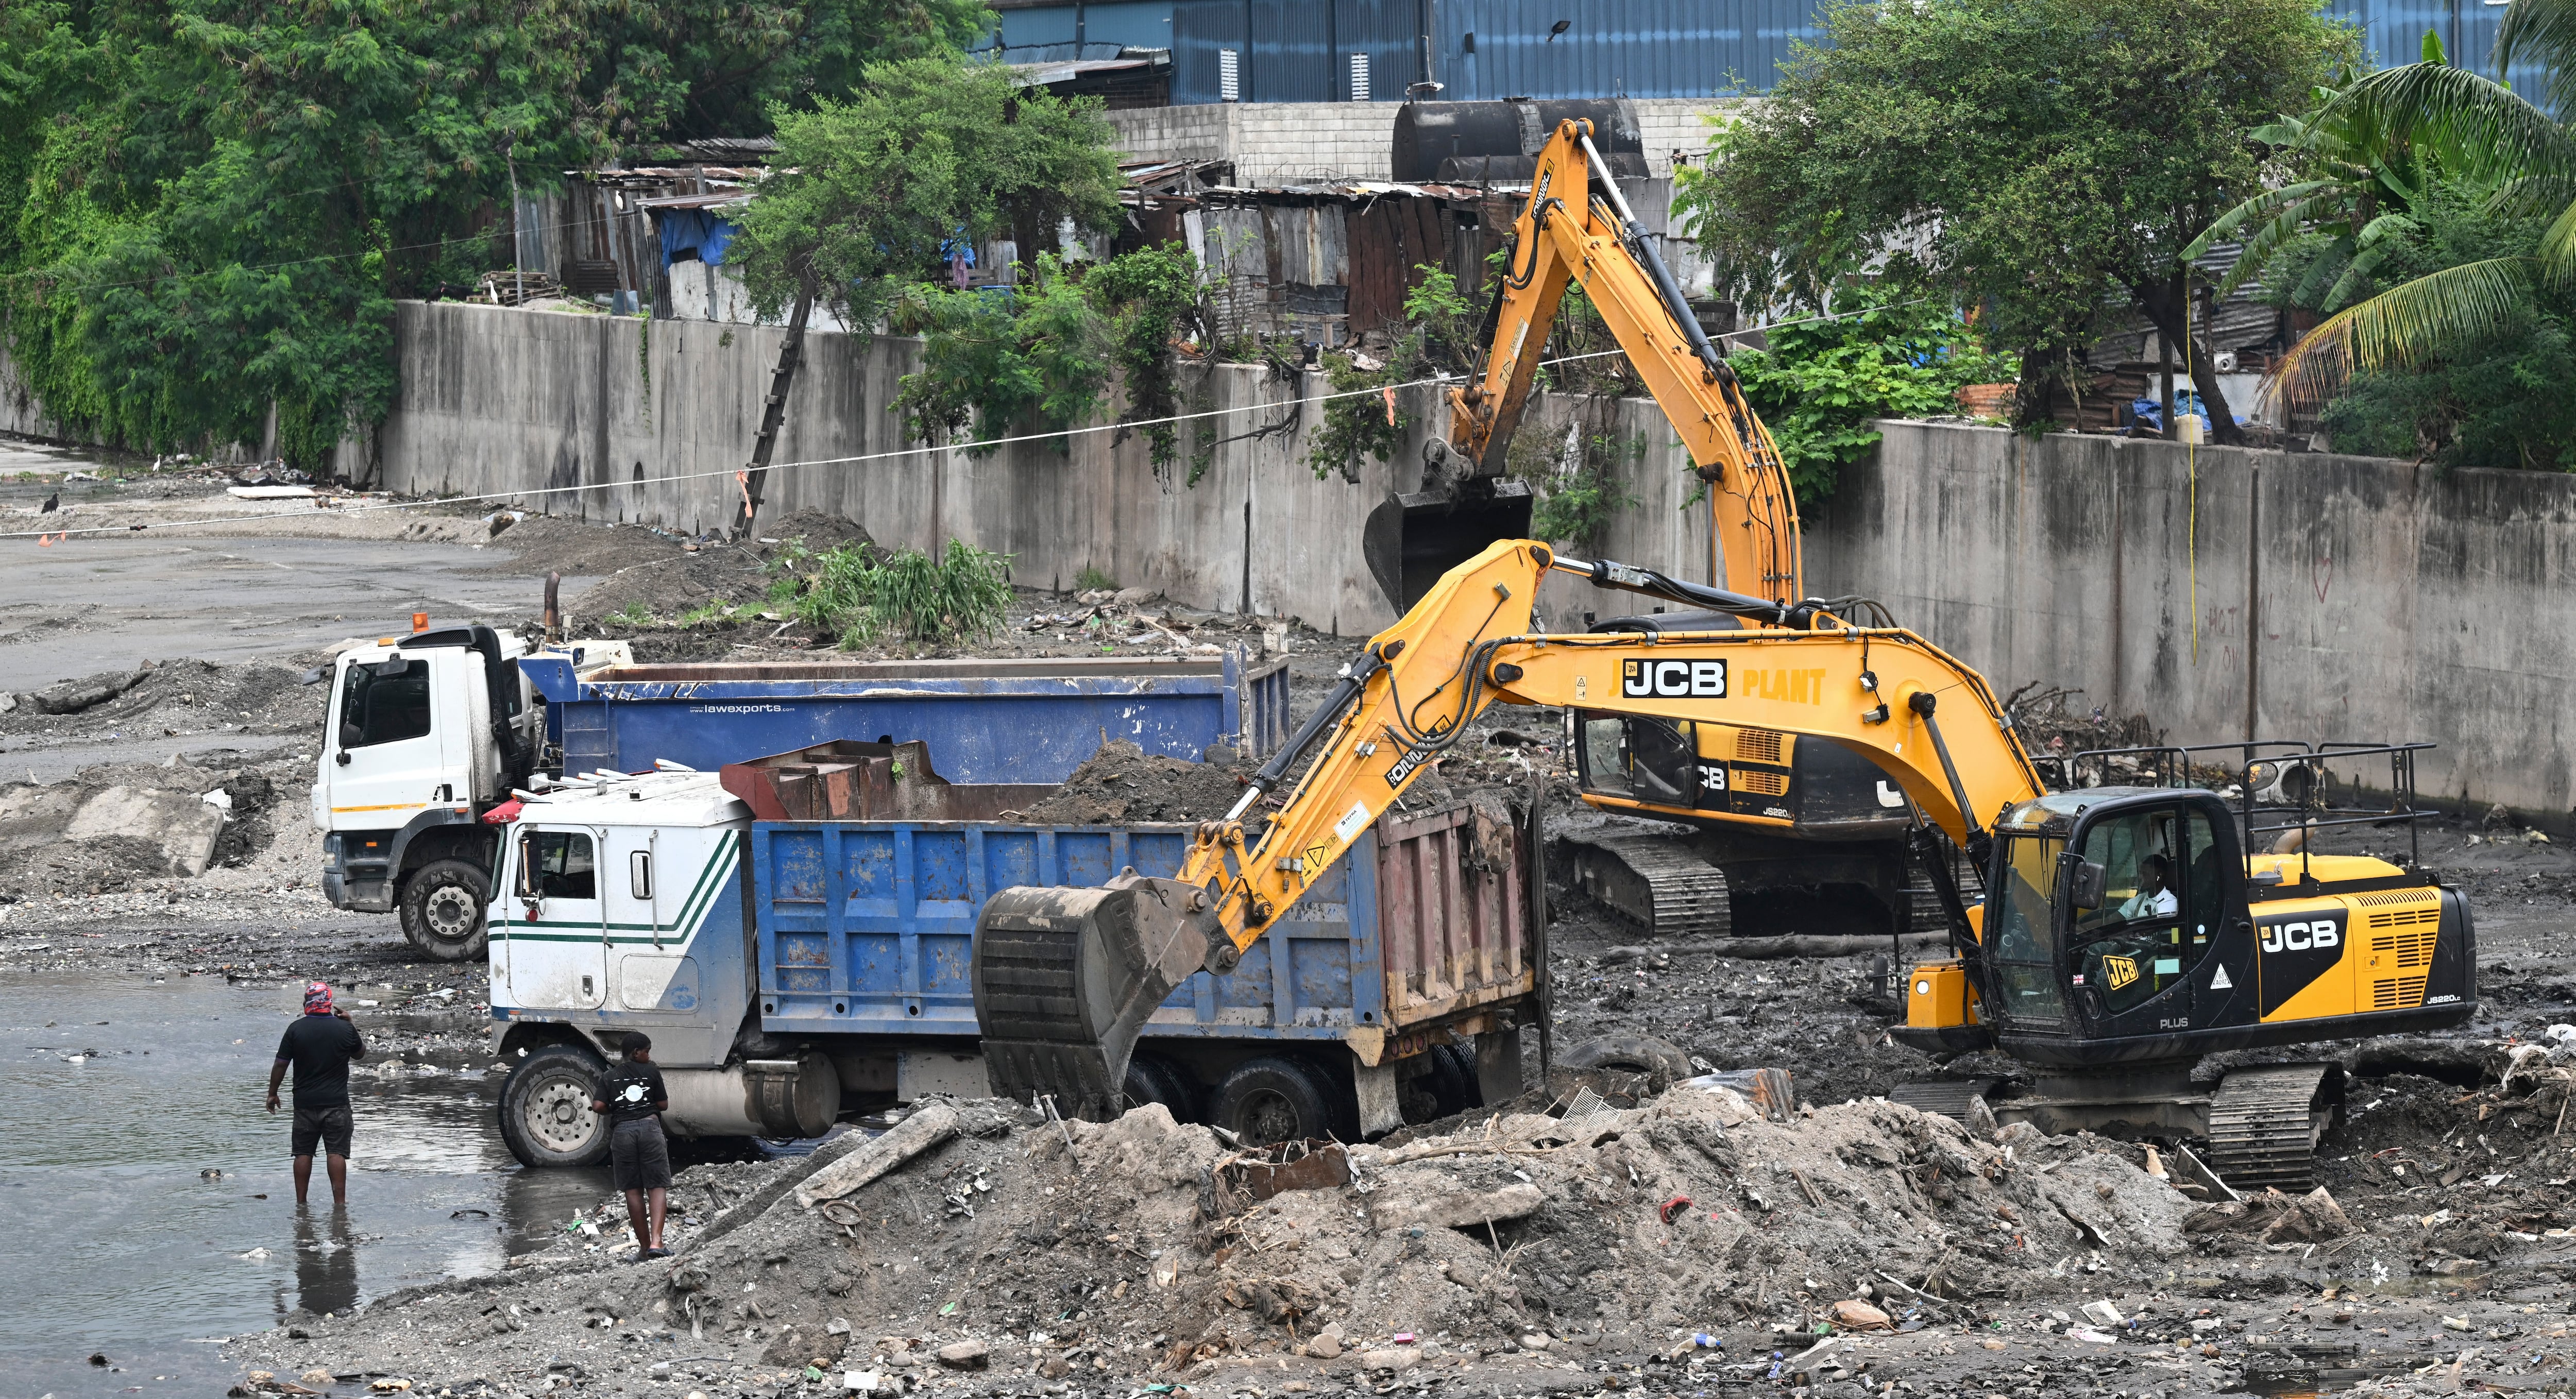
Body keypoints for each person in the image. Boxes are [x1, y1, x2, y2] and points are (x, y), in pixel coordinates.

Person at [267, 981, 366, 1205]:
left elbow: (281, 1064)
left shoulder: (295, 1029)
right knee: (336, 1153)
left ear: (308, 1003)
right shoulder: (345, 1029)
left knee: (303, 1153)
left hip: (304, 1104)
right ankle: (339, 1206)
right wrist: (351, 1024)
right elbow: (360, 1054)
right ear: (329, 1004)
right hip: (337, 1104)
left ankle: (301, 1204)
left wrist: (273, 1093)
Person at [590, 1033, 672, 1261]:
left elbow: (597, 1106)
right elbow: (663, 1105)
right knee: (656, 1186)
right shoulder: (652, 1072)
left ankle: (645, 1249)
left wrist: (615, 1110)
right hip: (650, 1129)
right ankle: (657, 1242)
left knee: (633, 1191)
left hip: (623, 1133)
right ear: (637, 1053)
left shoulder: (610, 1076)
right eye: (647, 1051)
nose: (649, 1055)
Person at [2118, 853, 2178, 922]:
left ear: (2159, 876)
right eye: (2140, 873)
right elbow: (2116, 918)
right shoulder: (2139, 899)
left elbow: (2152, 928)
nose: (2140, 877)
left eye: (2145, 874)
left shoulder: (2169, 902)